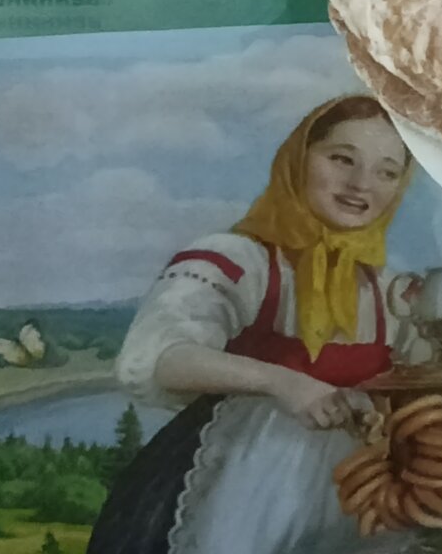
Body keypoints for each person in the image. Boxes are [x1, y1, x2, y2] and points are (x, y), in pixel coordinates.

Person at [88, 95, 423, 554]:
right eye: (342, 159)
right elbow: (160, 356)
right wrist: (281, 383)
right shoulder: (242, 261)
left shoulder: (389, 291)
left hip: (357, 493)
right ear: (298, 157)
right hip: (239, 483)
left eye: (387, 172)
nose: (362, 184)